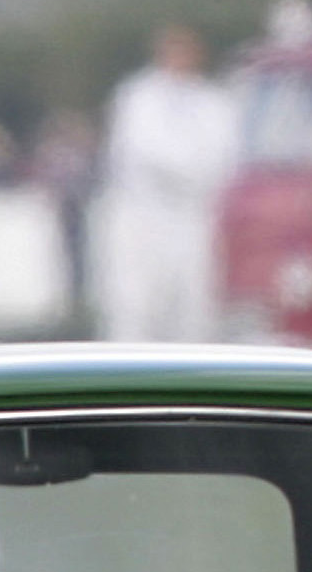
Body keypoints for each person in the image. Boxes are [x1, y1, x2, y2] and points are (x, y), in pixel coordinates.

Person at [91, 23, 240, 342]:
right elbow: (144, 151)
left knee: (193, 308)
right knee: (137, 306)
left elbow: (223, 155)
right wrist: (188, 171)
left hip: (194, 217)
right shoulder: (137, 96)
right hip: (142, 217)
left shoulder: (213, 101)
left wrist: (197, 177)